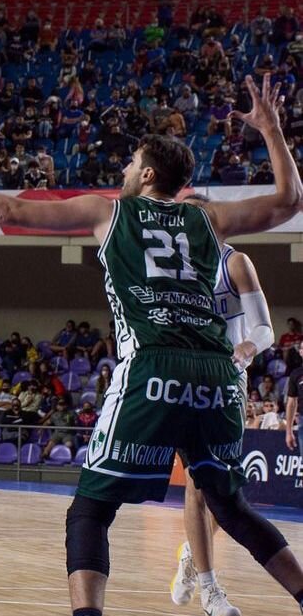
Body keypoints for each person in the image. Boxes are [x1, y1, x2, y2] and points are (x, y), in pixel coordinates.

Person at [0, 73, 303, 616]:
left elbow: (12, 212)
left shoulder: (109, 210)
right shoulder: (207, 217)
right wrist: (271, 130)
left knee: (90, 511)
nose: (123, 169)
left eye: (131, 163)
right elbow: (290, 200)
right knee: (231, 507)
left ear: (147, 174)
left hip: (154, 363)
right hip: (219, 373)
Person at [170, 195, 276, 616]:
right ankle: (210, 589)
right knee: (198, 482)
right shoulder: (170, 269)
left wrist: (247, 347)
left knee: (225, 488)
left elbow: (265, 328)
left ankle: (192, 554)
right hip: (188, 380)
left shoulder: (235, 263)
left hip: (230, 380)